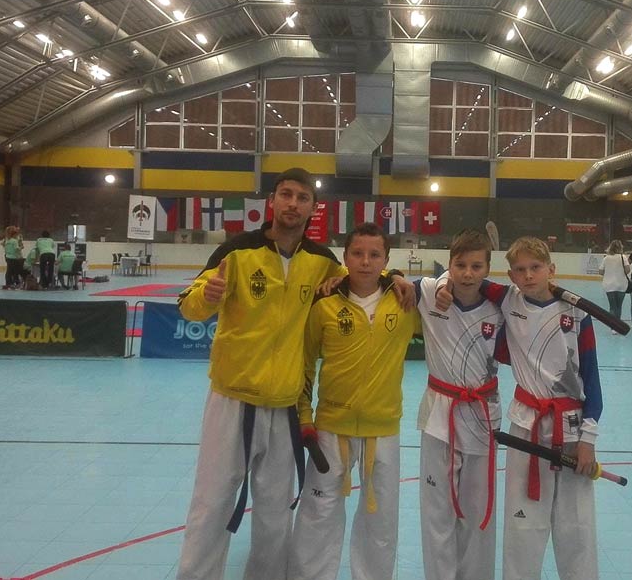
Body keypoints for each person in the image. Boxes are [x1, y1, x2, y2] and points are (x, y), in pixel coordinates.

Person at [174, 168, 413, 580]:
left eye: (303, 198)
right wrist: (206, 297)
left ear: (313, 208)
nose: (293, 204)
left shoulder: (321, 262)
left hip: (285, 405)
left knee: (276, 511)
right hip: (233, 398)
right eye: (286, 194)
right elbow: (189, 304)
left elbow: (362, 275)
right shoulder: (237, 251)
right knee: (212, 503)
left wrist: (396, 277)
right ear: (272, 201)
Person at [290, 223, 419, 580]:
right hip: (331, 427)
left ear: (386, 261)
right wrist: (304, 416)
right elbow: (304, 363)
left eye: (375, 255)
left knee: (381, 520)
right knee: (318, 514)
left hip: (384, 428)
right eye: (357, 254)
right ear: (344, 258)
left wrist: (399, 278)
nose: (365, 261)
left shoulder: (406, 302)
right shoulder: (324, 304)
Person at [473, 237, 602, 580]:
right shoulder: (508, 300)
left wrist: (588, 440)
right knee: (523, 524)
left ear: (551, 269)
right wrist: (437, 287)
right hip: (526, 426)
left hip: (571, 427)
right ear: (511, 276)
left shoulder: (577, 313)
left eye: (536, 267)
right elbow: (466, 277)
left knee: (576, 526)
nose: (528, 275)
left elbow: (592, 380)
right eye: (520, 269)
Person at [415, 229, 503, 580]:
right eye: (460, 265)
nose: (468, 273)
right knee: (436, 512)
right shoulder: (428, 293)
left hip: (483, 416)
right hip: (439, 417)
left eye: (476, 266)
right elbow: (393, 280)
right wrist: (440, 283)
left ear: (487, 268)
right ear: (449, 264)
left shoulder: (501, 306)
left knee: (477, 513)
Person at [599, 240, 630, 331]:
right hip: (621, 285)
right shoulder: (623, 257)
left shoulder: (606, 258)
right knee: (619, 306)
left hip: (609, 285)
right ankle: (618, 325)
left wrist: (609, 272)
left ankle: (612, 326)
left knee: (612, 307)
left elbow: (601, 272)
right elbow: (627, 270)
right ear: (620, 247)